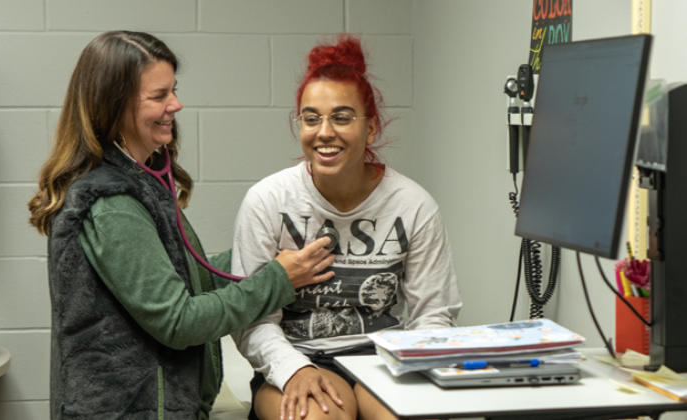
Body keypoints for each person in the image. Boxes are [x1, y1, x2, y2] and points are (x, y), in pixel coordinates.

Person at [27, 31, 336, 420]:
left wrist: (263, 256)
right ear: (113, 104)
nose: (176, 104)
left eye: (173, 90)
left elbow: (177, 274)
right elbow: (178, 320)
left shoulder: (141, 181)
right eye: (159, 96)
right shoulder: (111, 204)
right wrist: (276, 279)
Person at [230, 35, 462, 420]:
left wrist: (416, 367)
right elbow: (251, 317)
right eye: (311, 118)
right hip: (300, 358)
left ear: (370, 128)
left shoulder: (413, 204)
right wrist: (293, 370)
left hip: (385, 359)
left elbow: (433, 313)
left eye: (341, 117)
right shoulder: (267, 200)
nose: (324, 132)